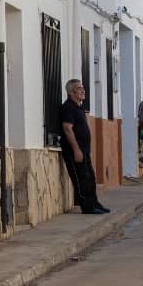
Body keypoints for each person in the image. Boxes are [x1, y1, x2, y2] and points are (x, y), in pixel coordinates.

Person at [59, 79, 109, 214]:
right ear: (71, 92)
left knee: (90, 177)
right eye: (79, 88)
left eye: (82, 88)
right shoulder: (68, 107)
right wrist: (76, 149)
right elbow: (67, 128)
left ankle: (95, 203)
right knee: (81, 178)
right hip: (74, 150)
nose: (83, 90)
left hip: (84, 150)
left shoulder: (79, 107)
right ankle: (87, 207)